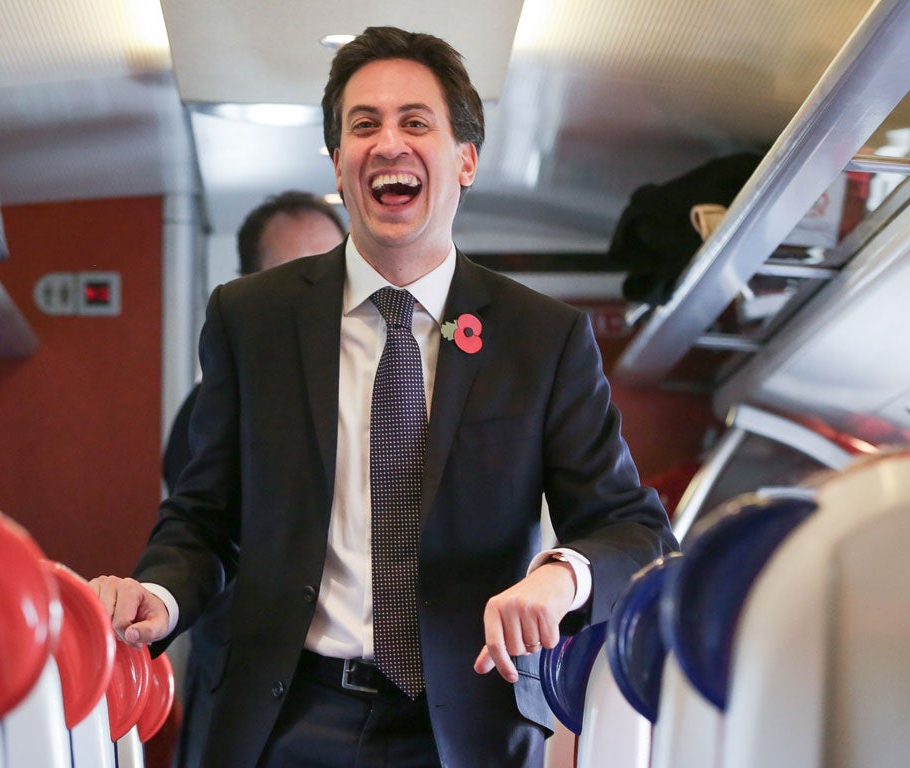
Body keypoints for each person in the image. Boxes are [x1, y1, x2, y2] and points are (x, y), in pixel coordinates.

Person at [92, 26, 677, 768]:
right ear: (338, 165)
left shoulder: (541, 338)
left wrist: (563, 578)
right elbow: (204, 520)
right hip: (288, 719)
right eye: (362, 125)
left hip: (466, 725)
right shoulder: (254, 318)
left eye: (415, 122)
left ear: (464, 159)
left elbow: (634, 530)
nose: (387, 142)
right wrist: (162, 596)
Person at [162, 190, 346, 768]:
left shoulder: (387, 395)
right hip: (250, 691)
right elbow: (204, 537)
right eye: (293, 276)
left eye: (332, 270)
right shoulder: (211, 409)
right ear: (249, 286)